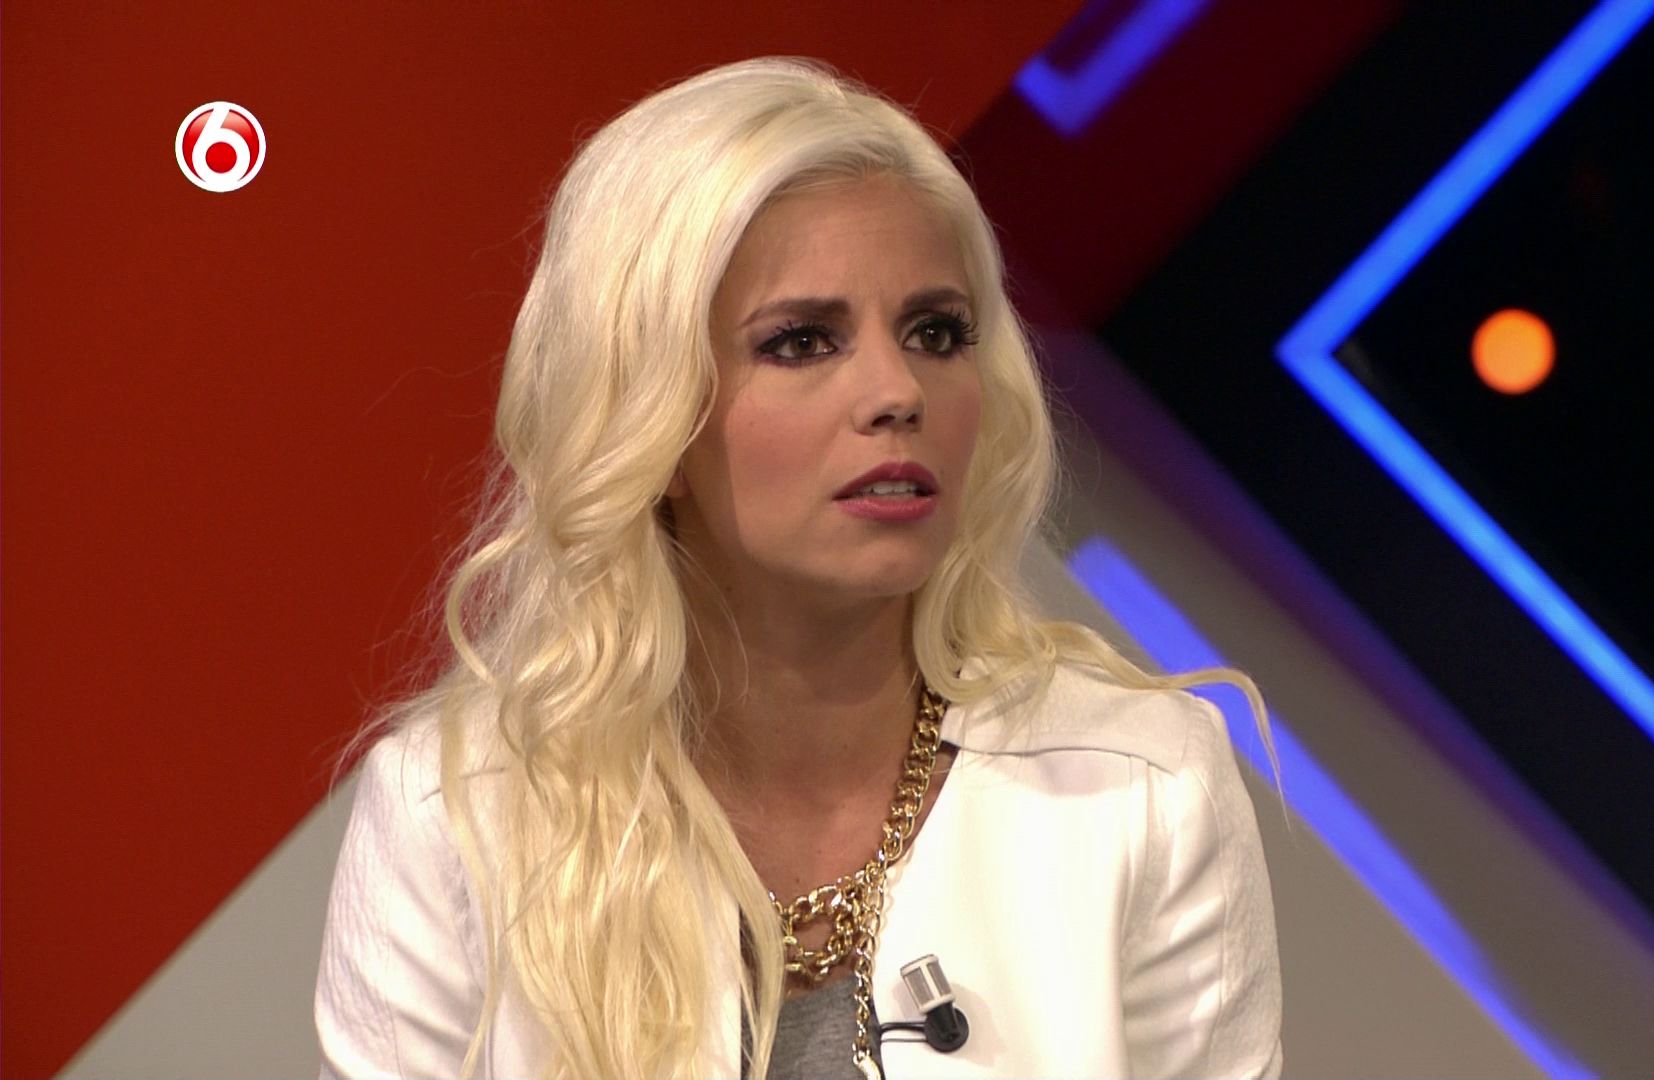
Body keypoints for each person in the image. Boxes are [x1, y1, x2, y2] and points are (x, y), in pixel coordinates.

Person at [314, 55, 1289, 1080]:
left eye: (937, 332)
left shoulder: (1140, 789)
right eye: (802, 342)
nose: (897, 391)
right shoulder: (456, 817)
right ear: (650, 414)